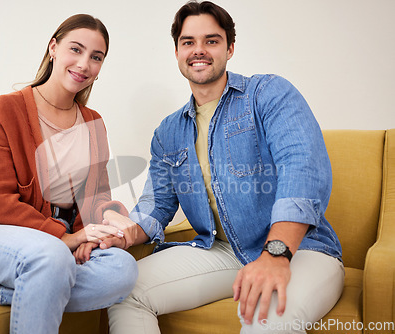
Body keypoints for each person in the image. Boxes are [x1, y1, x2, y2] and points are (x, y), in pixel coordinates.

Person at [101, 1, 344, 333]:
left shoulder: (269, 94)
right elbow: (156, 206)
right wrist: (123, 233)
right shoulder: (168, 133)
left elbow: (301, 170)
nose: (198, 50)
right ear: (176, 52)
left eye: (211, 40)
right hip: (221, 250)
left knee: (263, 318)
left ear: (230, 48)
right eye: (188, 42)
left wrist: (275, 255)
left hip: (301, 251)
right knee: (122, 290)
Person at [0, 14, 138, 334]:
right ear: (53, 48)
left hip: (59, 246)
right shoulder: (6, 109)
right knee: (52, 259)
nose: (84, 64)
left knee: (122, 270)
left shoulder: (93, 122)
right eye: (76, 49)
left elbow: (96, 199)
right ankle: (42, 273)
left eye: (96, 57)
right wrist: (66, 239)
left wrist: (100, 229)